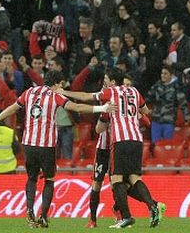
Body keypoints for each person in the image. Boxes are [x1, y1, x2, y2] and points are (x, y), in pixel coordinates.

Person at [0, 70, 115, 228]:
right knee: (49, 179)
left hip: (28, 143)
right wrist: (101, 108)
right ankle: (43, 216)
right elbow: (77, 107)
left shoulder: (29, 92)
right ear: (57, 84)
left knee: (32, 178)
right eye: (61, 85)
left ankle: (29, 209)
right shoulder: (55, 96)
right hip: (46, 145)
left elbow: (13, 108)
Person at [59, 68, 165, 229]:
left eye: (107, 79)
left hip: (120, 141)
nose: (104, 82)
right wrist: (134, 114)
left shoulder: (110, 94)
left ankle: (127, 217)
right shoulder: (134, 91)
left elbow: (86, 97)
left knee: (116, 179)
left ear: (114, 82)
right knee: (134, 178)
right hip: (136, 139)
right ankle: (153, 206)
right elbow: (146, 112)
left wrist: (64, 92)